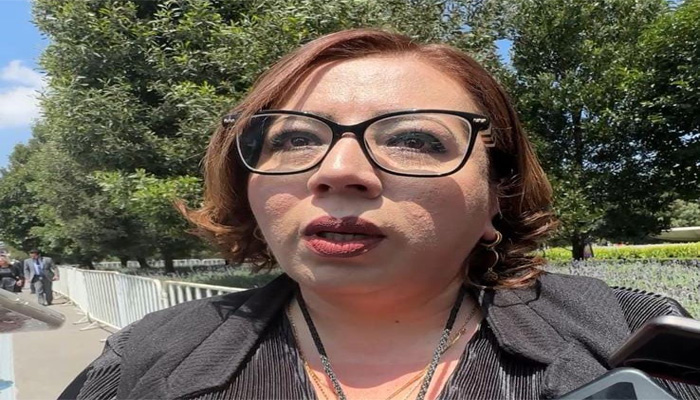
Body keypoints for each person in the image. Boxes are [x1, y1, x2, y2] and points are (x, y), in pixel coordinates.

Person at [61, 29, 699, 400]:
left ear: (497, 195)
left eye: (414, 140)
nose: (340, 170)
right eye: (294, 138)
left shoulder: (639, 342)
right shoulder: (142, 362)